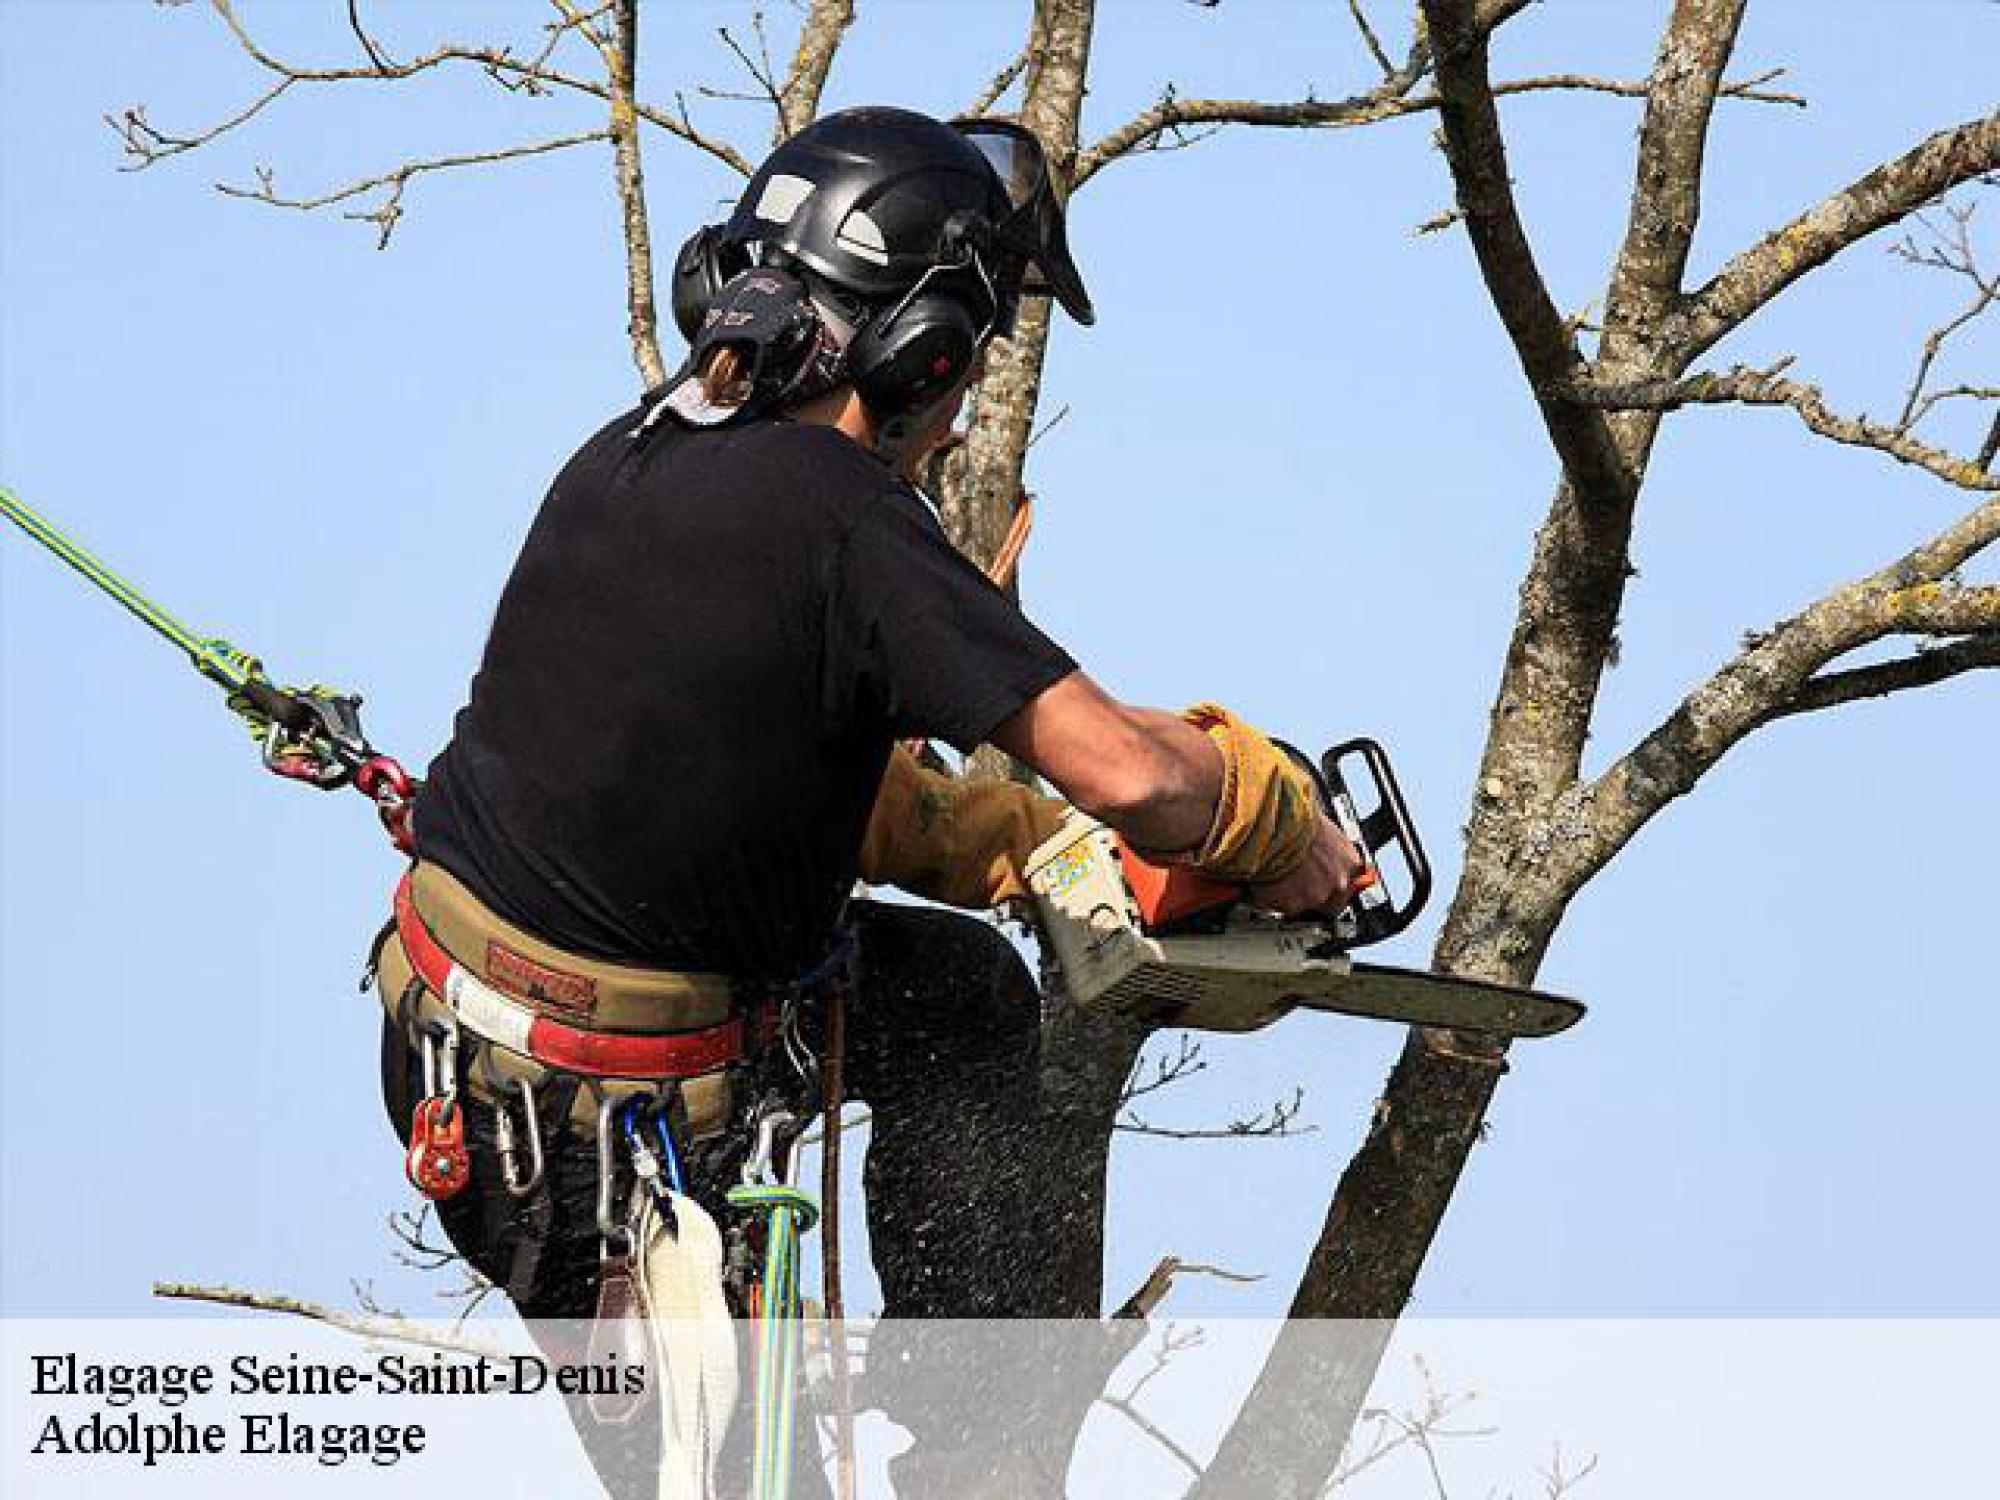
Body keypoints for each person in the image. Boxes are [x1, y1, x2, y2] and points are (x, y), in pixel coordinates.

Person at [368, 105, 1364, 1497]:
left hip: (469, 1054)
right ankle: (970, 1456)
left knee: (956, 999)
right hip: (591, 1128)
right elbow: (1130, 768)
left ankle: (971, 1435)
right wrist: (1272, 813)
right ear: (923, 345)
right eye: (967, 362)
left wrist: (1017, 844)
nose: (958, 407)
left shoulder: (630, 452)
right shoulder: (849, 522)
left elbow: (748, 751)